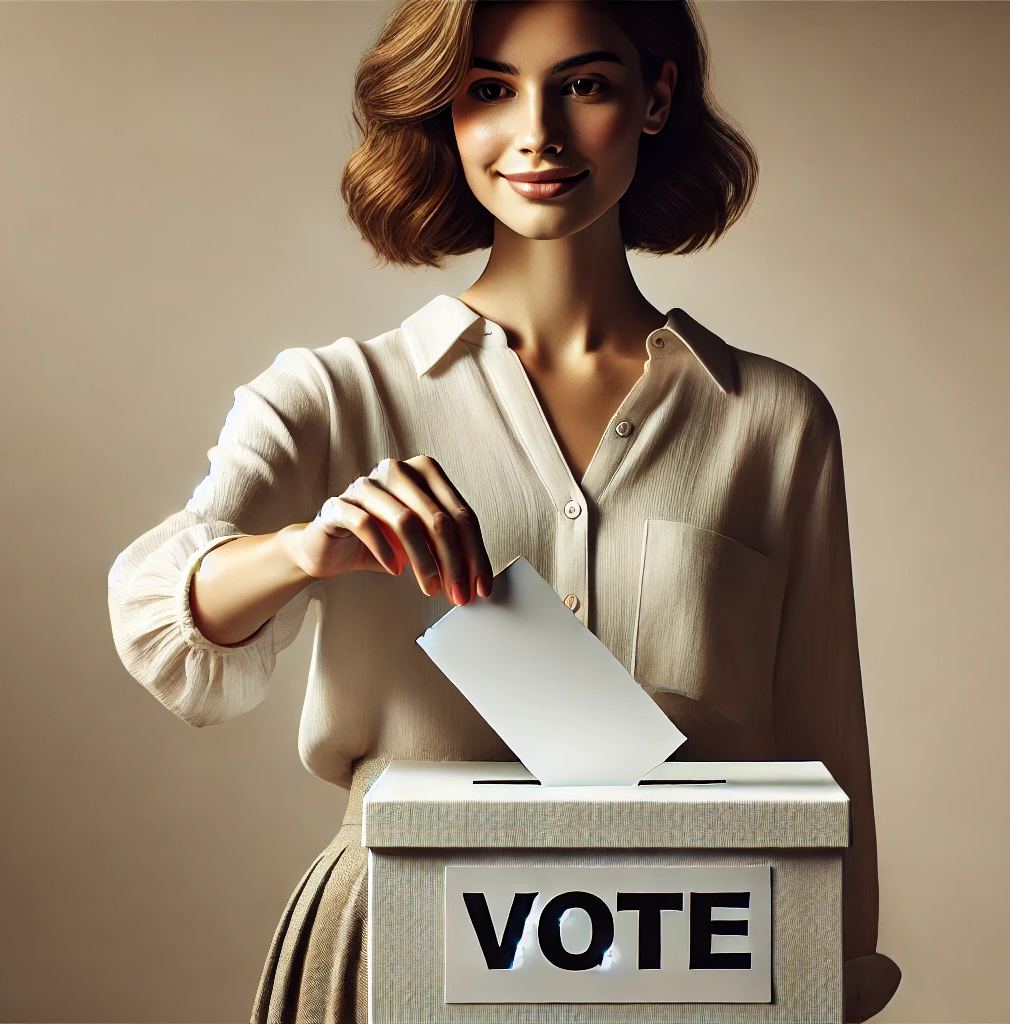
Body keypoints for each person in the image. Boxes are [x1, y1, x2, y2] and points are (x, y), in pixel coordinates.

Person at [107, 0, 902, 1020]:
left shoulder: (772, 423)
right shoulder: (332, 396)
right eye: (489, 89)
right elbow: (159, 609)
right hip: (397, 937)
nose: (538, 131)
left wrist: (824, 979)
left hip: (684, 953)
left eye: (584, 84)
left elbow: (824, 765)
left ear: (655, 97)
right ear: (444, 111)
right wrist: (306, 550)